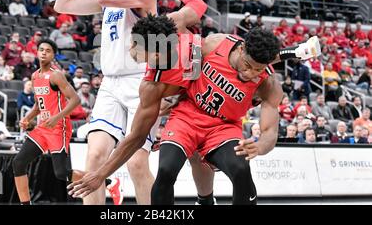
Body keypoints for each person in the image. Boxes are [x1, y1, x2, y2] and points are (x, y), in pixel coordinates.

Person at [69, 18, 321, 204]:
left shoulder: (259, 76)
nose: (250, 74)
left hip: (223, 125)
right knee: (166, 170)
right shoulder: (160, 78)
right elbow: (136, 136)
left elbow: (269, 132)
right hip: (187, 115)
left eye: (258, 69)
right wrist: (101, 174)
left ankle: (293, 52)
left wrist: (261, 145)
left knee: (242, 169)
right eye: (247, 66)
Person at [55, 0, 158, 204]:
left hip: (140, 83)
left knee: (136, 162)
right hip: (110, 85)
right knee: (95, 156)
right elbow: (62, 4)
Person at [12, 39, 121, 205]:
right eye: (41, 49)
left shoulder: (56, 75)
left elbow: (75, 100)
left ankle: (109, 183)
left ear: (53, 55)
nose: (43, 53)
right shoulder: (35, 76)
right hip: (42, 128)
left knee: (61, 173)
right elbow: (38, 103)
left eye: (48, 50)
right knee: (18, 163)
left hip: (58, 128)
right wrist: (28, 117)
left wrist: (56, 117)